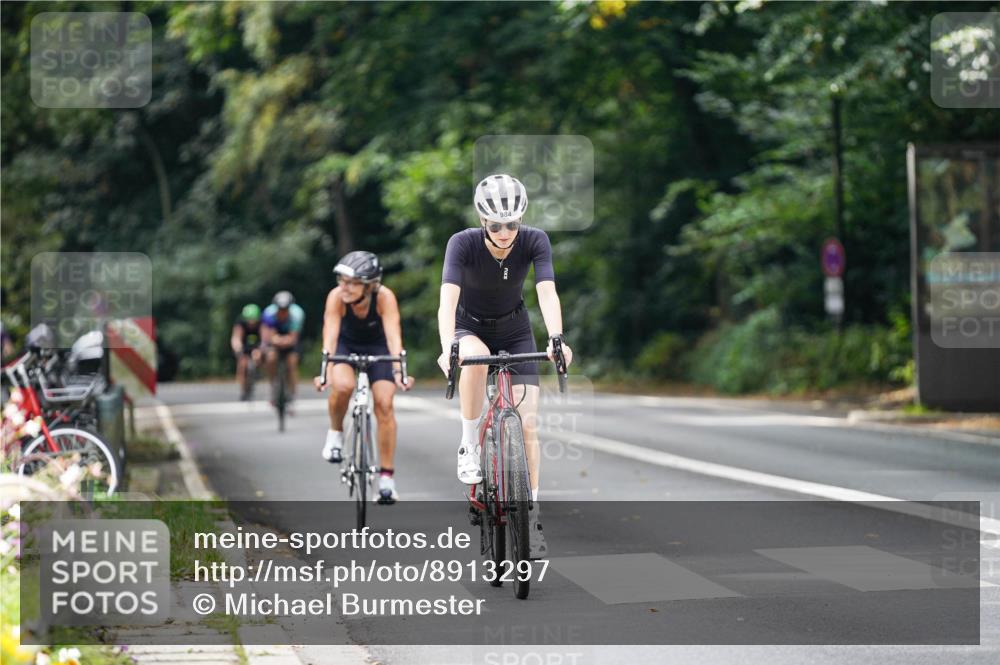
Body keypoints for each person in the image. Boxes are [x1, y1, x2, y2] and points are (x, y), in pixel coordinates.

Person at [437, 173, 574, 558]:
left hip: (515, 329)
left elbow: (546, 291)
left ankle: (530, 516)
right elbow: (447, 301)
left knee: (528, 424)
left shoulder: (535, 240)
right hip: (470, 326)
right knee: (475, 361)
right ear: (483, 221)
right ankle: (468, 442)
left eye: (511, 223)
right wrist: (449, 345)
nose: (503, 231)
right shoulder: (461, 244)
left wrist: (556, 338)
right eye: (495, 225)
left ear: (520, 220)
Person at [315, 251, 412, 504]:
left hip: (378, 347)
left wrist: (400, 371)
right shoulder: (336, 297)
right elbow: (330, 335)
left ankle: (386, 480)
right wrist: (324, 371)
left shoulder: (384, 297)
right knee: (344, 386)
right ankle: (335, 433)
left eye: (351, 282)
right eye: (341, 280)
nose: (343, 287)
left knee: (384, 404)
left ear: (369, 285)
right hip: (346, 346)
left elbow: (393, 336)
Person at [261, 291, 305, 407]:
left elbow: (293, 337)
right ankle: (273, 386)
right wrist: (275, 340)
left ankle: (292, 392)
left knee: (292, 363)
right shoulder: (269, 313)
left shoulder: (297, 314)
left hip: (289, 342)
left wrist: (280, 340)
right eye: (280, 309)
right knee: (271, 358)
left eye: (285, 309)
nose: (283, 311)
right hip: (275, 340)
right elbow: (268, 336)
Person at [230, 304, 263, 400]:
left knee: (258, 356)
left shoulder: (262, 323)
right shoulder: (240, 323)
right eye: (249, 320)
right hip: (244, 345)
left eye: (254, 320)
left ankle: (257, 372)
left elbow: (265, 339)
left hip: (257, 345)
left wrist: (260, 350)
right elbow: (236, 338)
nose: (251, 322)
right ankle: (243, 389)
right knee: (242, 364)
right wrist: (238, 349)